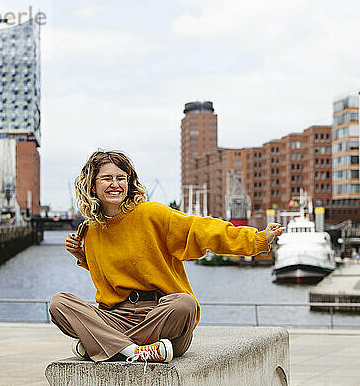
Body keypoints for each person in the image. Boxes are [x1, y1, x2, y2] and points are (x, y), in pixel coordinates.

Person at [49, 150, 284, 367]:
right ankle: (133, 351)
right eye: (107, 178)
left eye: (121, 178)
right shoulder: (91, 230)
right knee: (59, 303)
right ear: (92, 186)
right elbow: (111, 276)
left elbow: (201, 229)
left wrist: (258, 240)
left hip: (161, 317)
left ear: (129, 183)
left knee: (185, 304)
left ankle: (104, 345)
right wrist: (82, 254)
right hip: (117, 317)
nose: (115, 184)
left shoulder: (151, 214)